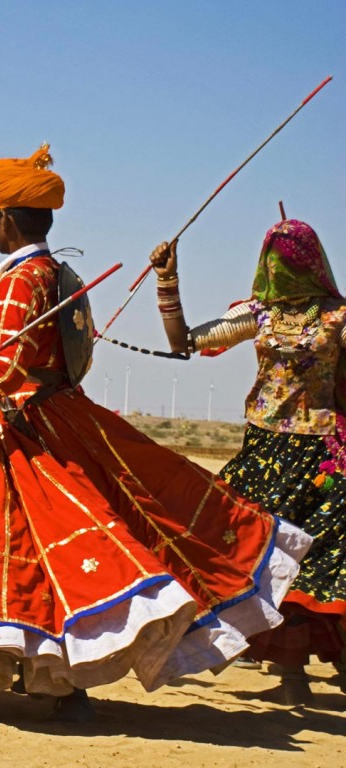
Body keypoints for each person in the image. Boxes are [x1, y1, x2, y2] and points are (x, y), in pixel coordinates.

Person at [0, 145, 309, 720]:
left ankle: (60, 681)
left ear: (5, 219)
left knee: (22, 550)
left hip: (20, 431)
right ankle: (45, 675)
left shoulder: (27, 279)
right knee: (35, 553)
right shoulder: (52, 273)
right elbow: (4, 308)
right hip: (59, 420)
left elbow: (6, 363)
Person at [149, 220, 346, 705]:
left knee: (319, 560)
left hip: (322, 455)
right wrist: (167, 280)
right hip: (264, 454)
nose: (279, 265)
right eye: (274, 255)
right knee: (260, 556)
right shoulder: (257, 314)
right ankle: (290, 673)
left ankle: (314, 666)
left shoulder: (339, 317)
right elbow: (185, 341)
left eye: (289, 255)